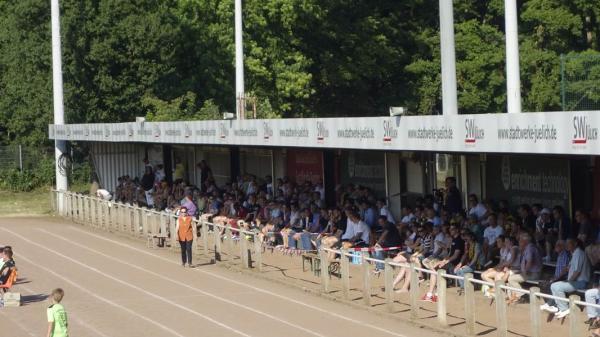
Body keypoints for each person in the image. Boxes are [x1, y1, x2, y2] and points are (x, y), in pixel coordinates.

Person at [544, 239, 591, 318]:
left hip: (581, 282)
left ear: (575, 243)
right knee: (553, 285)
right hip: (575, 281)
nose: (566, 245)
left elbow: (577, 271)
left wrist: (568, 282)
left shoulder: (579, 253)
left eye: (568, 243)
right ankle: (555, 306)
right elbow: (568, 268)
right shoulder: (574, 253)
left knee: (557, 286)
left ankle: (564, 309)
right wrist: (558, 278)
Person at [421, 225, 464, 302]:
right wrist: (444, 260)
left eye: (453, 229)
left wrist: (445, 261)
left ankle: (432, 294)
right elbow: (450, 254)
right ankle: (433, 293)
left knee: (434, 269)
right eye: (450, 229)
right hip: (449, 261)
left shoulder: (459, 240)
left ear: (457, 230)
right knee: (433, 267)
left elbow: (456, 256)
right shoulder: (454, 240)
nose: (451, 231)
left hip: (454, 263)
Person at [507, 233, 543, 304]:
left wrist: (524, 272)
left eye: (520, 240)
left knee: (511, 279)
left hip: (533, 274)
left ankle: (522, 296)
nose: (519, 242)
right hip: (530, 272)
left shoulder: (530, 248)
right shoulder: (528, 248)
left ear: (525, 241)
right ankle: (514, 297)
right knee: (510, 277)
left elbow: (529, 261)